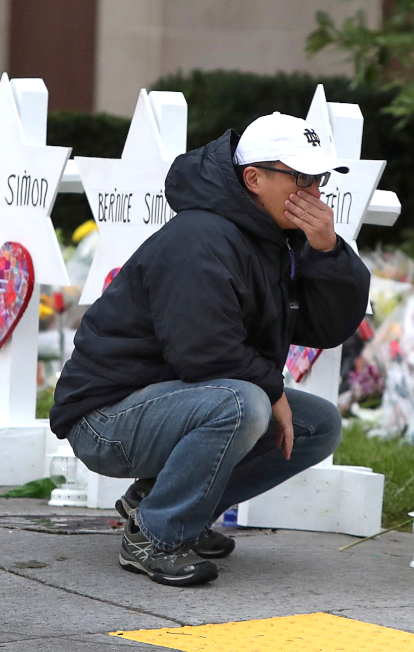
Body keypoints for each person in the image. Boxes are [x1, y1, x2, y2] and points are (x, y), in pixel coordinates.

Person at [49, 113, 371, 586]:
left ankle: (166, 507)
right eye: (300, 177)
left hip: (169, 399)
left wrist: (328, 252)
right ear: (253, 179)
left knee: (317, 426)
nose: (313, 192)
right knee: (244, 405)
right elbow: (202, 353)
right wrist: (272, 390)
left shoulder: (274, 238)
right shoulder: (201, 236)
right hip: (104, 421)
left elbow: (326, 327)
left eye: (318, 178)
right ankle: (155, 537)